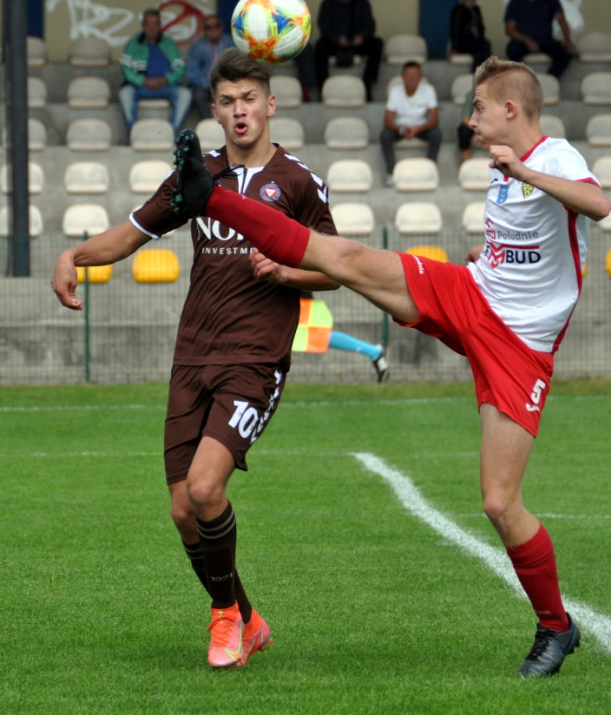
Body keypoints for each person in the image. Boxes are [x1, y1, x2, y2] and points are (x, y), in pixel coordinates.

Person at [170, 55, 608, 678]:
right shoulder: (501, 167)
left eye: (479, 109)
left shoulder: (552, 156)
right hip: (472, 295)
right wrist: (493, 252)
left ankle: (557, 628)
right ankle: (210, 196)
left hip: (519, 347)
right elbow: (531, 244)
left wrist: (528, 171)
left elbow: (598, 205)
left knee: (498, 502)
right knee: (347, 260)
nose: (471, 122)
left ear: (512, 110)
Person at [54, 48, 338, 669]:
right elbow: (130, 234)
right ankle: (249, 618)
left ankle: (223, 621)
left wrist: (288, 270)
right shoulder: (197, 177)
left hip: (255, 360)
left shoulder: (297, 182)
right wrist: (74, 256)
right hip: (193, 357)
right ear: (214, 109)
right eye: (228, 102)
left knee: (207, 489)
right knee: (185, 510)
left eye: (250, 100)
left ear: (271, 104)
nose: (240, 112)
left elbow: (337, 268)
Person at [313, 0, 383, 101]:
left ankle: (367, 85)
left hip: (358, 44)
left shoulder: (362, 1)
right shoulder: (327, 2)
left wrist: (362, 37)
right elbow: (323, 26)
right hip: (335, 44)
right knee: (319, 46)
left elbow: (370, 25)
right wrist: (336, 38)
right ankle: (323, 88)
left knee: (377, 44)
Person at [118, 8, 192, 134]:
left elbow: (180, 68)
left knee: (185, 94)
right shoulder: (133, 44)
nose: (151, 27)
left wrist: (165, 79)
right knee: (125, 93)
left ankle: (171, 132)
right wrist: (143, 81)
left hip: (165, 86)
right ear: (143, 25)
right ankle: (134, 133)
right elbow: (125, 69)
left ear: (159, 26)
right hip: (140, 87)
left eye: (155, 24)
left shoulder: (169, 44)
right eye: (148, 23)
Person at [504, 0, 575, 79]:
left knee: (567, 52)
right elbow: (509, 30)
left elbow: (562, 20)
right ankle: (525, 80)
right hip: (523, 42)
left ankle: (548, 80)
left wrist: (567, 40)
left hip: (545, 41)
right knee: (511, 49)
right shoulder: (515, 1)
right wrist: (528, 41)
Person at [379, 60, 441, 185]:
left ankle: (429, 170)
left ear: (421, 77)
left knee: (436, 134)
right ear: (402, 77)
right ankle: (391, 173)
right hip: (401, 127)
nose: (412, 78)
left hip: (421, 127)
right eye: (408, 75)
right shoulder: (395, 91)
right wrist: (401, 129)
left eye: (415, 75)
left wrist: (418, 128)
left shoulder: (428, 90)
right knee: (385, 134)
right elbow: (387, 120)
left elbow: (435, 119)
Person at [272, 0, 316, 101]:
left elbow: (307, 26)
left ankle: (304, 89)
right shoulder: (262, 0)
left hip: (291, 42)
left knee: (307, 49)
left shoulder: (297, 0)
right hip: (269, 42)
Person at [185, 13, 234, 120]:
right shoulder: (197, 46)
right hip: (204, 85)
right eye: (208, 27)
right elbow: (191, 73)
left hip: (227, 83)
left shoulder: (230, 43)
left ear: (221, 27)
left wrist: (221, 85)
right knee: (198, 96)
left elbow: (237, 67)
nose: (212, 29)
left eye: (216, 26)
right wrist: (209, 86)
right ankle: (208, 124)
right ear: (204, 30)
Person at [450, 0, 492, 70]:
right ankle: (480, 72)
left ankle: (479, 73)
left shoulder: (476, 10)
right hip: (464, 42)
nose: (470, 2)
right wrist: (454, 48)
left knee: (481, 52)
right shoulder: (458, 11)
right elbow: (455, 30)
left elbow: (481, 28)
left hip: (476, 42)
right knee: (484, 45)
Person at [457, 90, 482, 163]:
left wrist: (481, 133)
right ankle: (466, 163)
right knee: (464, 130)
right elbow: (465, 118)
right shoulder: (471, 95)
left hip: (492, 126)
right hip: (475, 127)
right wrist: (477, 132)